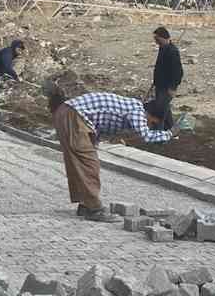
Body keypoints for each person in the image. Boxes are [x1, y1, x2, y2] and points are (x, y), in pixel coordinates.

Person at [47, 85, 172, 223]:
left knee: (79, 162)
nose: (150, 126)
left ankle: (85, 205)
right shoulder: (138, 111)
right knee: (89, 164)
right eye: (153, 124)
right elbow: (147, 136)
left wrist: (93, 143)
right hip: (73, 116)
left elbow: (98, 126)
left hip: (69, 114)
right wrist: (171, 133)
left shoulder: (130, 109)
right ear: (151, 116)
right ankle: (95, 209)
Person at [151, 27, 184, 129]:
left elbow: (178, 72)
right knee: (164, 107)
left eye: (157, 39)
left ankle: (159, 132)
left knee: (160, 110)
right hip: (160, 84)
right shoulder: (162, 48)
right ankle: (170, 127)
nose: (156, 42)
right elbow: (160, 66)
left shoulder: (172, 51)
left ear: (164, 37)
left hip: (167, 87)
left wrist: (173, 87)